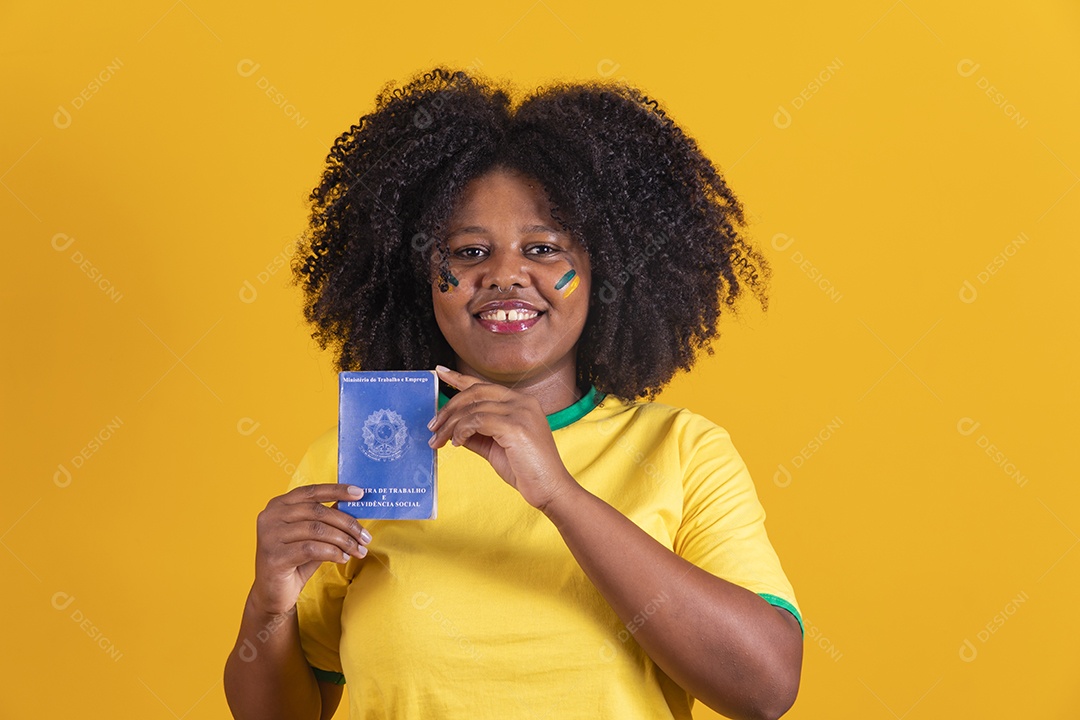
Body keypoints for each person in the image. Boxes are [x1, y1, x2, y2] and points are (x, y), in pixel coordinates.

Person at [224, 67, 803, 720]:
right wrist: (267, 606)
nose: (505, 274)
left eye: (544, 249)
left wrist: (560, 495)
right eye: (469, 252)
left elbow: (765, 689)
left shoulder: (682, 451)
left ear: (605, 268)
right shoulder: (364, 459)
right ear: (418, 277)